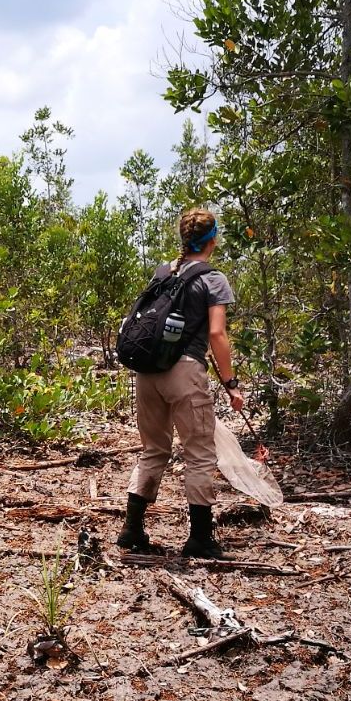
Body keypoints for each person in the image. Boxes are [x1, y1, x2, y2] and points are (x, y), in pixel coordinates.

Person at [117, 207, 245, 559]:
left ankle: (131, 529)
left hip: (147, 374)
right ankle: (200, 538)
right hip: (185, 372)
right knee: (200, 454)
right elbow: (217, 334)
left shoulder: (163, 272)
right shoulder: (213, 279)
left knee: (154, 450)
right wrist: (231, 382)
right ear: (212, 240)